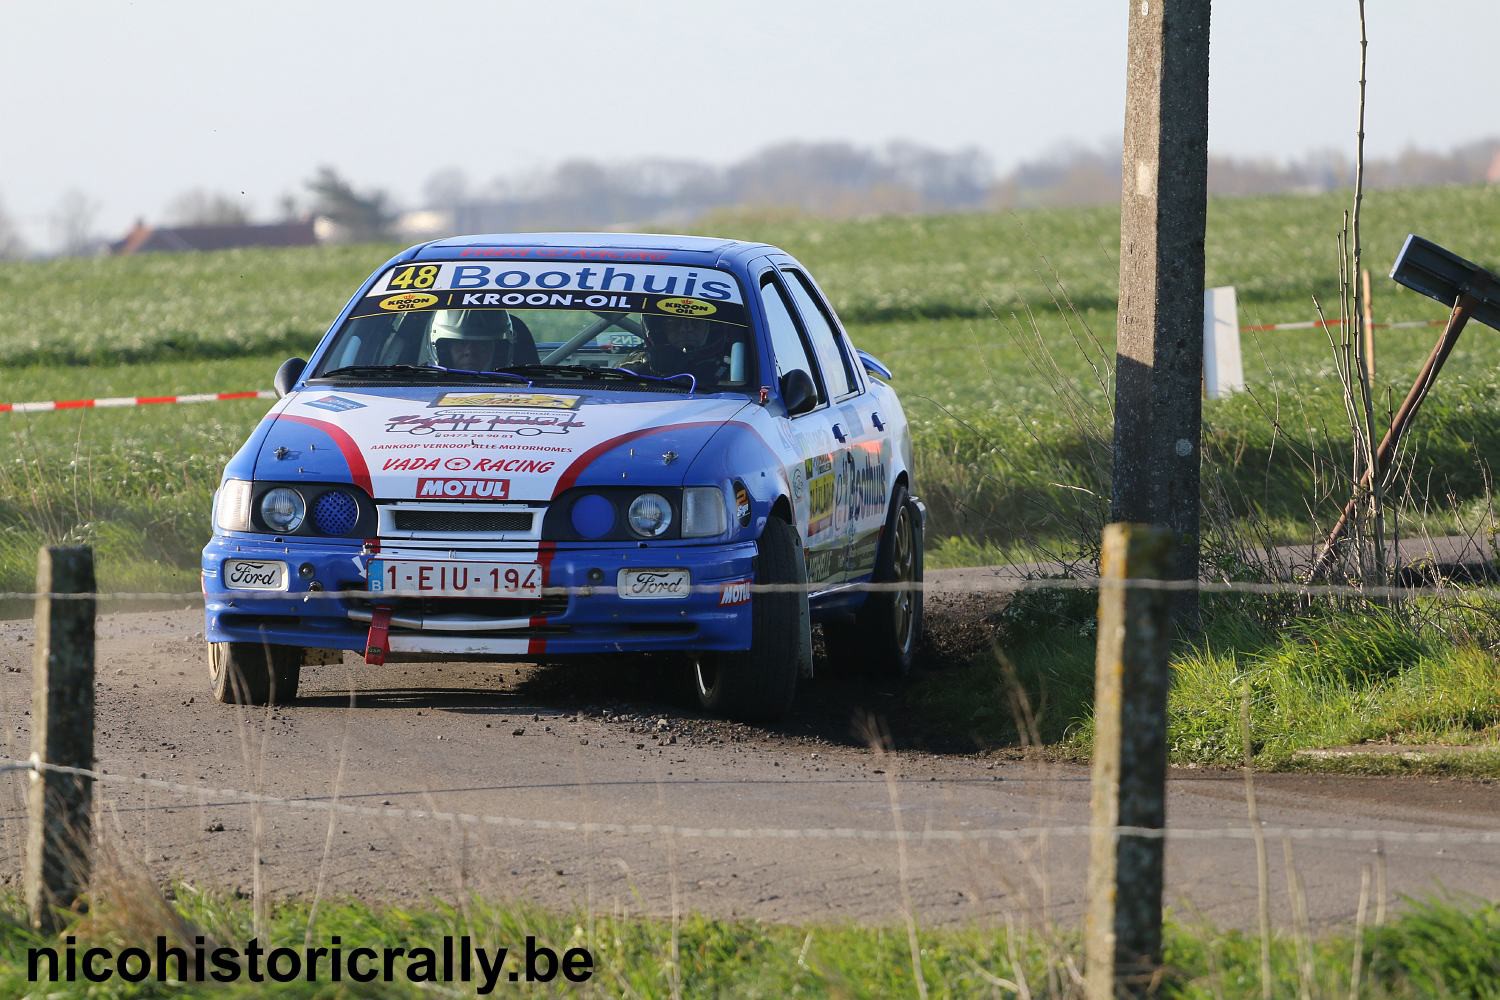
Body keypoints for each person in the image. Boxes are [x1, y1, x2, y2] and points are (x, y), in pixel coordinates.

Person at [425, 310, 537, 370]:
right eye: (461, 343)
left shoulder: (524, 389)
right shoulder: (419, 385)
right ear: (443, 349)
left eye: (481, 344)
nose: (470, 351)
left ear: (499, 351)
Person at [640, 313, 727, 387]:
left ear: (710, 328)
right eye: (674, 322)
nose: (686, 329)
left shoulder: (734, 374)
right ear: (660, 330)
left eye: (696, 321)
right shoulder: (636, 369)